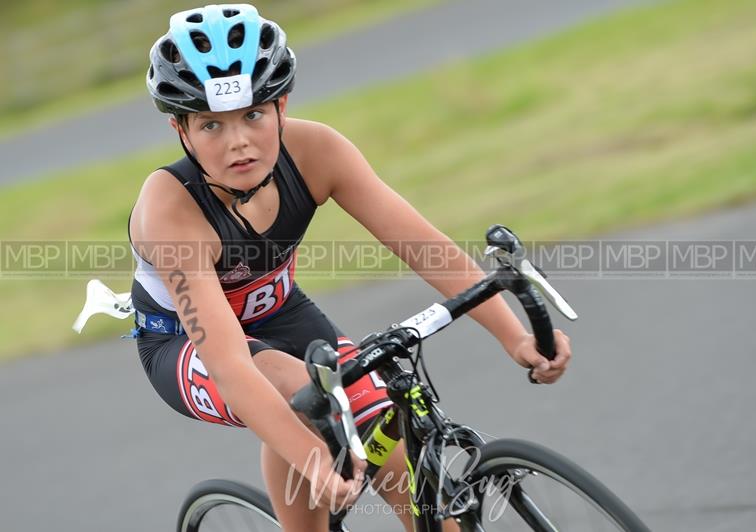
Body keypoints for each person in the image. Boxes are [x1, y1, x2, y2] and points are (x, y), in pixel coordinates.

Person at [128, 4, 572, 531]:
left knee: (390, 446)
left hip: (280, 312)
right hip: (183, 342)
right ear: (180, 129)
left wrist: (514, 337)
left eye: (252, 114)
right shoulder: (169, 209)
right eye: (210, 125)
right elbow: (230, 365)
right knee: (303, 396)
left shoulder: (317, 151)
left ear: (281, 106)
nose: (238, 142)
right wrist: (314, 461)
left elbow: (423, 245)